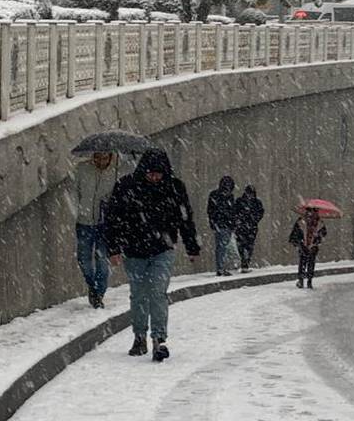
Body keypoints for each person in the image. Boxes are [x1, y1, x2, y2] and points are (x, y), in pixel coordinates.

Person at [105, 149, 201, 362]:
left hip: (162, 249)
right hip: (134, 250)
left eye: (159, 174)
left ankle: (159, 338)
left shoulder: (175, 188)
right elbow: (113, 217)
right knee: (138, 294)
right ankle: (139, 336)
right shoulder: (126, 186)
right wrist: (113, 248)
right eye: (151, 173)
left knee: (158, 292)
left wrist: (191, 246)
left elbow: (186, 218)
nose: (155, 178)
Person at [71, 151, 118, 308]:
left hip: (104, 224)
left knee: (102, 262)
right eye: (97, 157)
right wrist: (78, 211)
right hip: (84, 222)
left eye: (105, 158)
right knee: (83, 259)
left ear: (111, 157)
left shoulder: (116, 172)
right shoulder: (81, 169)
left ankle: (98, 294)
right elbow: (73, 192)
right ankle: (92, 286)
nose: (101, 161)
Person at [289, 208, 327, 289]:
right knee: (311, 263)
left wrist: (299, 243)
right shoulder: (319, 222)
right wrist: (317, 240)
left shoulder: (301, 221)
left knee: (303, 262)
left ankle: (301, 280)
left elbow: (295, 234)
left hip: (303, 245)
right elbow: (323, 233)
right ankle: (309, 281)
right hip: (313, 246)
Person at [207, 176, 237, 276]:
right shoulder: (226, 197)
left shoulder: (215, 195)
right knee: (223, 247)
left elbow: (210, 210)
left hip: (221, 224)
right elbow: (231, 211)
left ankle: (221, 267)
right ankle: (221, 267)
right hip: (223, 224)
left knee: (221, 247)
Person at [233, 185, 265, 273]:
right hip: (241, 227)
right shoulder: (240, 201)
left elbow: (261, 213)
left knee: (249, 245)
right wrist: (239, 219)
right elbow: (235, 211)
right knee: (241, 245)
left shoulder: (257, 202)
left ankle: (246, 262)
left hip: (251, 227)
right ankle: (243, 260)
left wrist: (253, 219)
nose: (249, 195)